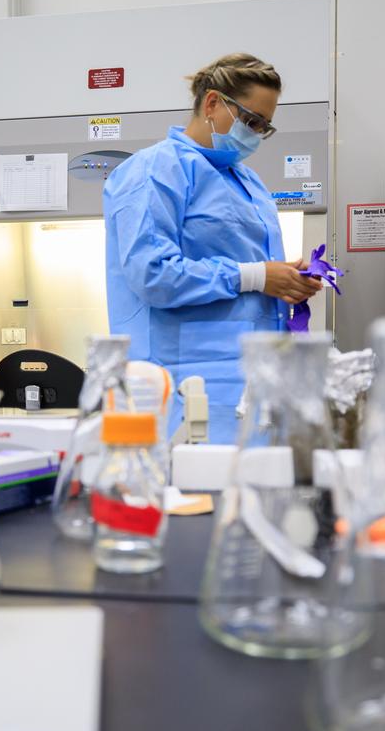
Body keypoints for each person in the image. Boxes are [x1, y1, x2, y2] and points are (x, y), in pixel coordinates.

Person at [103, 53, 321, 444]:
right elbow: (153, 274)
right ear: (212, 103)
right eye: (251, 120)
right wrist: (255, 276)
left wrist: (284, 279)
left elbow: (250, 275)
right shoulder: (154, 170)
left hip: (251, 386)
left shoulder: (248, 182)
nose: (255, 133)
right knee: (194, 495)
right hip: (184, 386)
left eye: (264, 127)